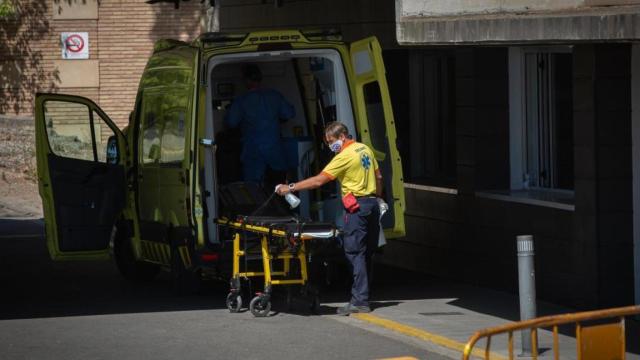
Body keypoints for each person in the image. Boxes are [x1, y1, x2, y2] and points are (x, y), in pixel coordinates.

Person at [276, 121, 383, 315]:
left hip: (356, 208)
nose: (329, 145)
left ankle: (360, 301)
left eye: (331, 141)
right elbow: (379, 176)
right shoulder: (364, 148)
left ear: (342, 136)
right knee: (366, 253)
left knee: (354, 253)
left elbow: (319, 180)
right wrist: (379, 198)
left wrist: (290, 188)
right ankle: (364, 295)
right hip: (372, 205)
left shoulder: (344, 156)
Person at [225, 64, 295, 187]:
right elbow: (289, 113)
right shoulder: (274, 96)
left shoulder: (241, 101)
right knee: (280, 188)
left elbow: (231, 122)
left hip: (253, 153)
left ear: (246, 80)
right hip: (275, 153)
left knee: (253, 192)